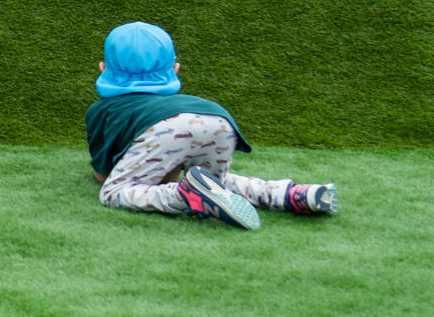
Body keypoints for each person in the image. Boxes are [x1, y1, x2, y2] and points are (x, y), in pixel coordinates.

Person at [86, 21, 336, 229]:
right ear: (175, 69)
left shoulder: (103, 109)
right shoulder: (175, 101)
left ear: (102, 68)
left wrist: (166, 181)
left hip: (166, 129)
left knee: (113, 192)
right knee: (219, 182)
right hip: (217, 119)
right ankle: (290, 195)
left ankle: (183, 195)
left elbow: (102, 174)